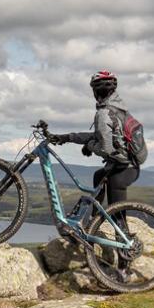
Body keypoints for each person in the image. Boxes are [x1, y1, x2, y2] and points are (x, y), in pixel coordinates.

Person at [48, 70, 139, 207]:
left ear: (95, 92)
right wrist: (67, 137)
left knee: (117, 213)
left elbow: (106, 149)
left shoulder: (104, 113)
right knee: (98, 176)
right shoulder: (118, 109)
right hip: (127, 164)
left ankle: (118, 226)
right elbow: (100, 136)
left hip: (122, 167)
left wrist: (89, 146)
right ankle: (96, 219)